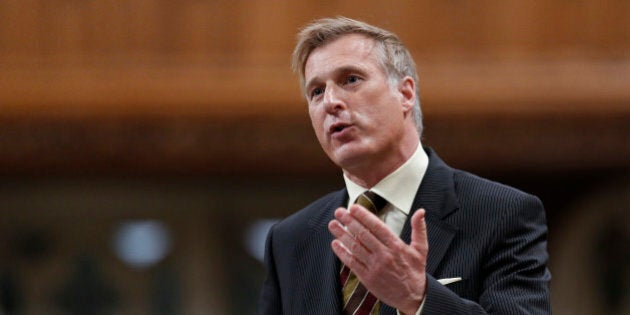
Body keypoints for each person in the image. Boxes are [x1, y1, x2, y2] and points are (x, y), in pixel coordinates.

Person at [258, 16, 551, 314]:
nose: (331, 101)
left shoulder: (502, 213)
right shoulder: (290, 240)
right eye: (316, 91)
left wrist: (419, 298)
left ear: (405, 94)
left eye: (350, 79)